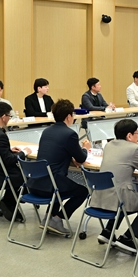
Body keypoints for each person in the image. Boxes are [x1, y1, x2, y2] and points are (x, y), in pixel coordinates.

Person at [88, 119, 138, 254]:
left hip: (99, 197)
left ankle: (108, 231)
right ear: (129, 136)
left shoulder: (108, 145)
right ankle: (128, 238)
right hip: (117, 200)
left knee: (122, 195)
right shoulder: (134, 149)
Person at [30, 99, 92, 235]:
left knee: (60, 183)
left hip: (35, 183)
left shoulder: (47, 131)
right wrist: (85, 148)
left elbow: (57, 151)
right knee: (83, 191)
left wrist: (70, 157)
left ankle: (48, 217)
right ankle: (58, 219)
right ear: (69, 116)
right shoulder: (70, 134)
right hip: (50, 186)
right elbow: (81, 158)